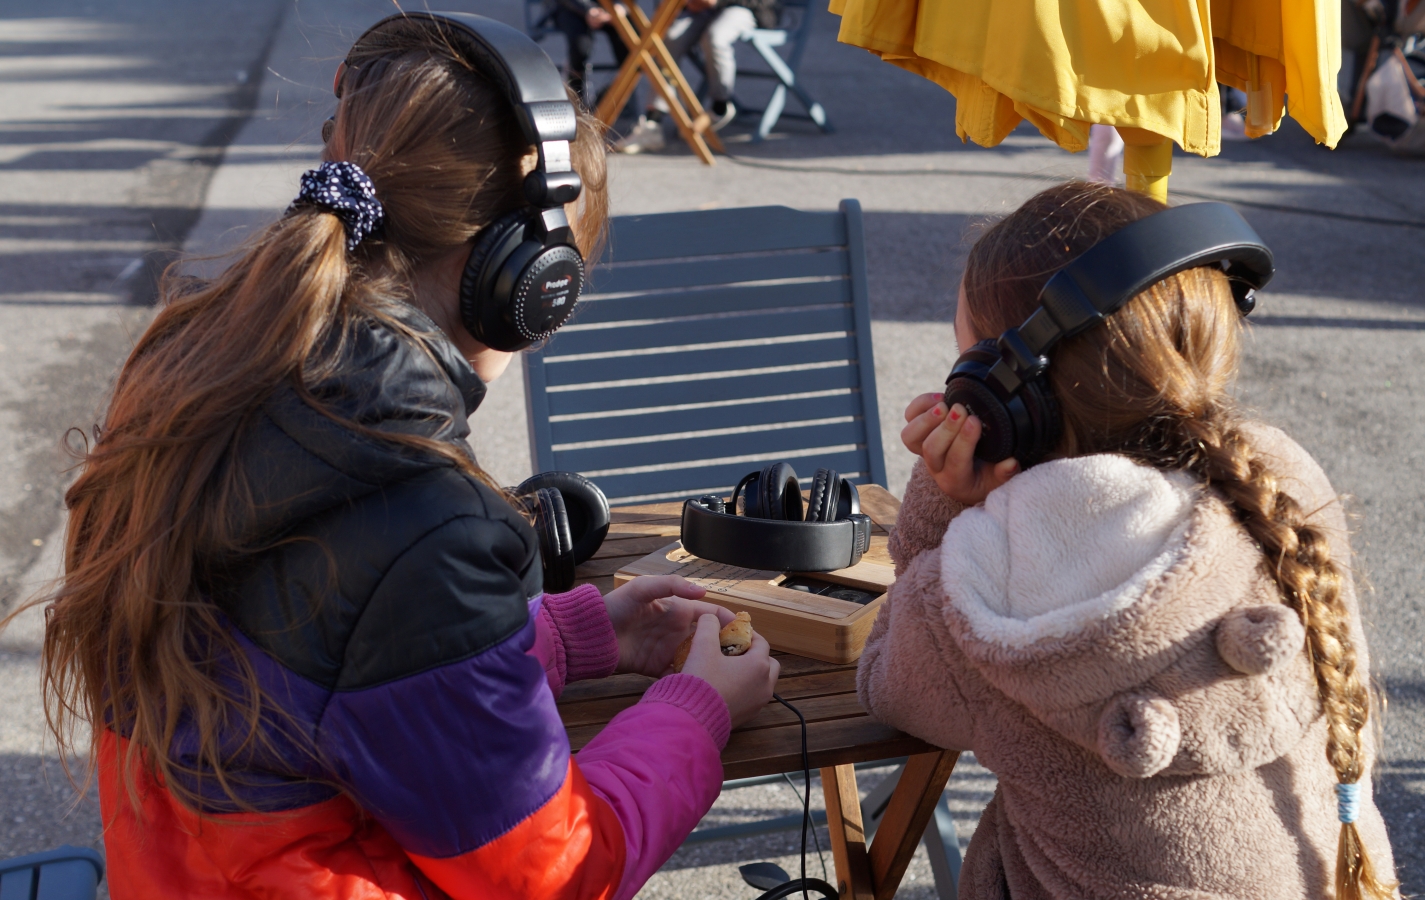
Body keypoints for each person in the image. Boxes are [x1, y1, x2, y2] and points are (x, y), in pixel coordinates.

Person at [31, 14, 778, 899]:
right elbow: (551, 873)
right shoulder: (427, 521)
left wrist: (573, 638)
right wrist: (694, 714)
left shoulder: (192, 363)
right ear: (525, 285)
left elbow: (319, 668)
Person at [861, 182, 1398, 899]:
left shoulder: (984, 585)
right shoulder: (1277, 475)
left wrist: (945, 499)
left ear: (1002, 397)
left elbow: (884, 681)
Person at [614, 0, 780, 152]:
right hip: (700, 9)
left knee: (716, 37)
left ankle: (720, 107)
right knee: (667, 39)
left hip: (745, 6)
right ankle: (652, 123)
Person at [549, 0, 629, 106]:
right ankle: (576, 100)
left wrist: (622, 6)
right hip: (571, 8)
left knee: (630, 49)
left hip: (610, 8)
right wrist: (588, 9)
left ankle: (610, 97)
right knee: (580, 48)